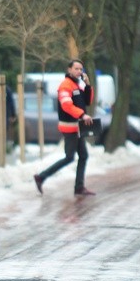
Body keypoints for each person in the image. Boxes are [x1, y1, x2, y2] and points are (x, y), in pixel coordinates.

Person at [33, 59, 95, 196]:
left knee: (83, 156)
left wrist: (88, 85)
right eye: (76, 69)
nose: (79, 71)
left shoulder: (77, 85)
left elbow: (88, 101)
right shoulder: (65, 86)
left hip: (77, 127)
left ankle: (79, 187)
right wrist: (82, 115)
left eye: (81, 69)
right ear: (69, 70)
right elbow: (66, 105)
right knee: (69, 157)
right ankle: (41, 177)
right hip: (69, 128)